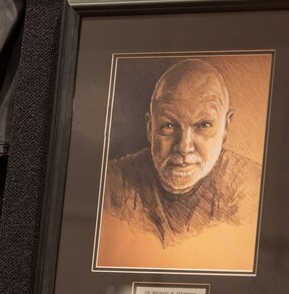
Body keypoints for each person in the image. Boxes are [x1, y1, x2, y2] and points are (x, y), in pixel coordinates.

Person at [102, 58, 262, 249]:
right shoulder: (111, 184)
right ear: (150, 127)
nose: (184, 147)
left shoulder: (252, 189)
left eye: (204, 125)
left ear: (225, 127)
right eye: (168, 126)